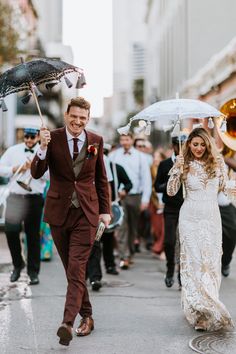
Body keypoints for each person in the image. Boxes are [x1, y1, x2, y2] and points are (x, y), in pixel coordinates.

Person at [31, 97, 111, 346]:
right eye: (74, 116)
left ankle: (67, 323)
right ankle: (87, 315)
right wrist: (42, 148)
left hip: (86, 214)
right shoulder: (51, 138)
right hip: (59, 213)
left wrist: (105, 211)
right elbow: (36, 172)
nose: (78, 121)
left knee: (77, 268)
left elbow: (101, 178)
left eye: (83, 118)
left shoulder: (95, 140)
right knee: (71, 270)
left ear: (88, 119)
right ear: (66, 115)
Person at [167, 127, 234, 331]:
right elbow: (171, 192)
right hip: (189, 219)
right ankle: (200, 313)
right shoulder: (183, 163)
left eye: (202, 144)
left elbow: (226, 187)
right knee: (194, 264)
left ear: (208, 145)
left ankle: (209, 303)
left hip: (211, 218)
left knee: (210, 265)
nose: (198, 148)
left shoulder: (218, 163)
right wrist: (177, 170)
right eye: (194, 144)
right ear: (188, 145)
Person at [0, 127, 46, 285]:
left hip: (34, 198)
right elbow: (0, 169)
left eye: (32, 137)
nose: (29, 140)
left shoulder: (44, 151)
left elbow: (50, 175)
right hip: (15, 197)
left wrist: (35, 168)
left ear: (38, 137)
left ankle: (33, 272)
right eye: (26, 137)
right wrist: (15, 168)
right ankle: (18, 265)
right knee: (11, 231)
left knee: (32, 235)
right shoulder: (13, 151)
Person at [109, 133, 152, 269]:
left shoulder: (140, 157)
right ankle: (124, 256)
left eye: (127, 139)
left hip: (135, 196)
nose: (124, 142)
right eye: (122, 139)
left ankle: (130, 251)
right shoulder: (114, 155)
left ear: (132, 140)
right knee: (121, 226)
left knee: (133, 227)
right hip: (118, 196)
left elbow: (146, 179)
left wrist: (145, 199)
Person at [154, 134, 187, 288]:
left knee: (184, 243)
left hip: (187, 208)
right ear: (173, 146)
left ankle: (182, 275)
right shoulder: (165, 164)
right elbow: (157, 187)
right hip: (171, 208)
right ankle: (169, 269)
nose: (180, 148)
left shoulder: (190, 164)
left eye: (183, 144)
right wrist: (171, 181)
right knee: (169, 241)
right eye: (178, 145)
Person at [218, 144, 236, 277]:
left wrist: (225, 158)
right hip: (211, 203)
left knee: (232, 233)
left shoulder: (230, 160)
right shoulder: (214, 157)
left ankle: (226, 261)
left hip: (227, 204)